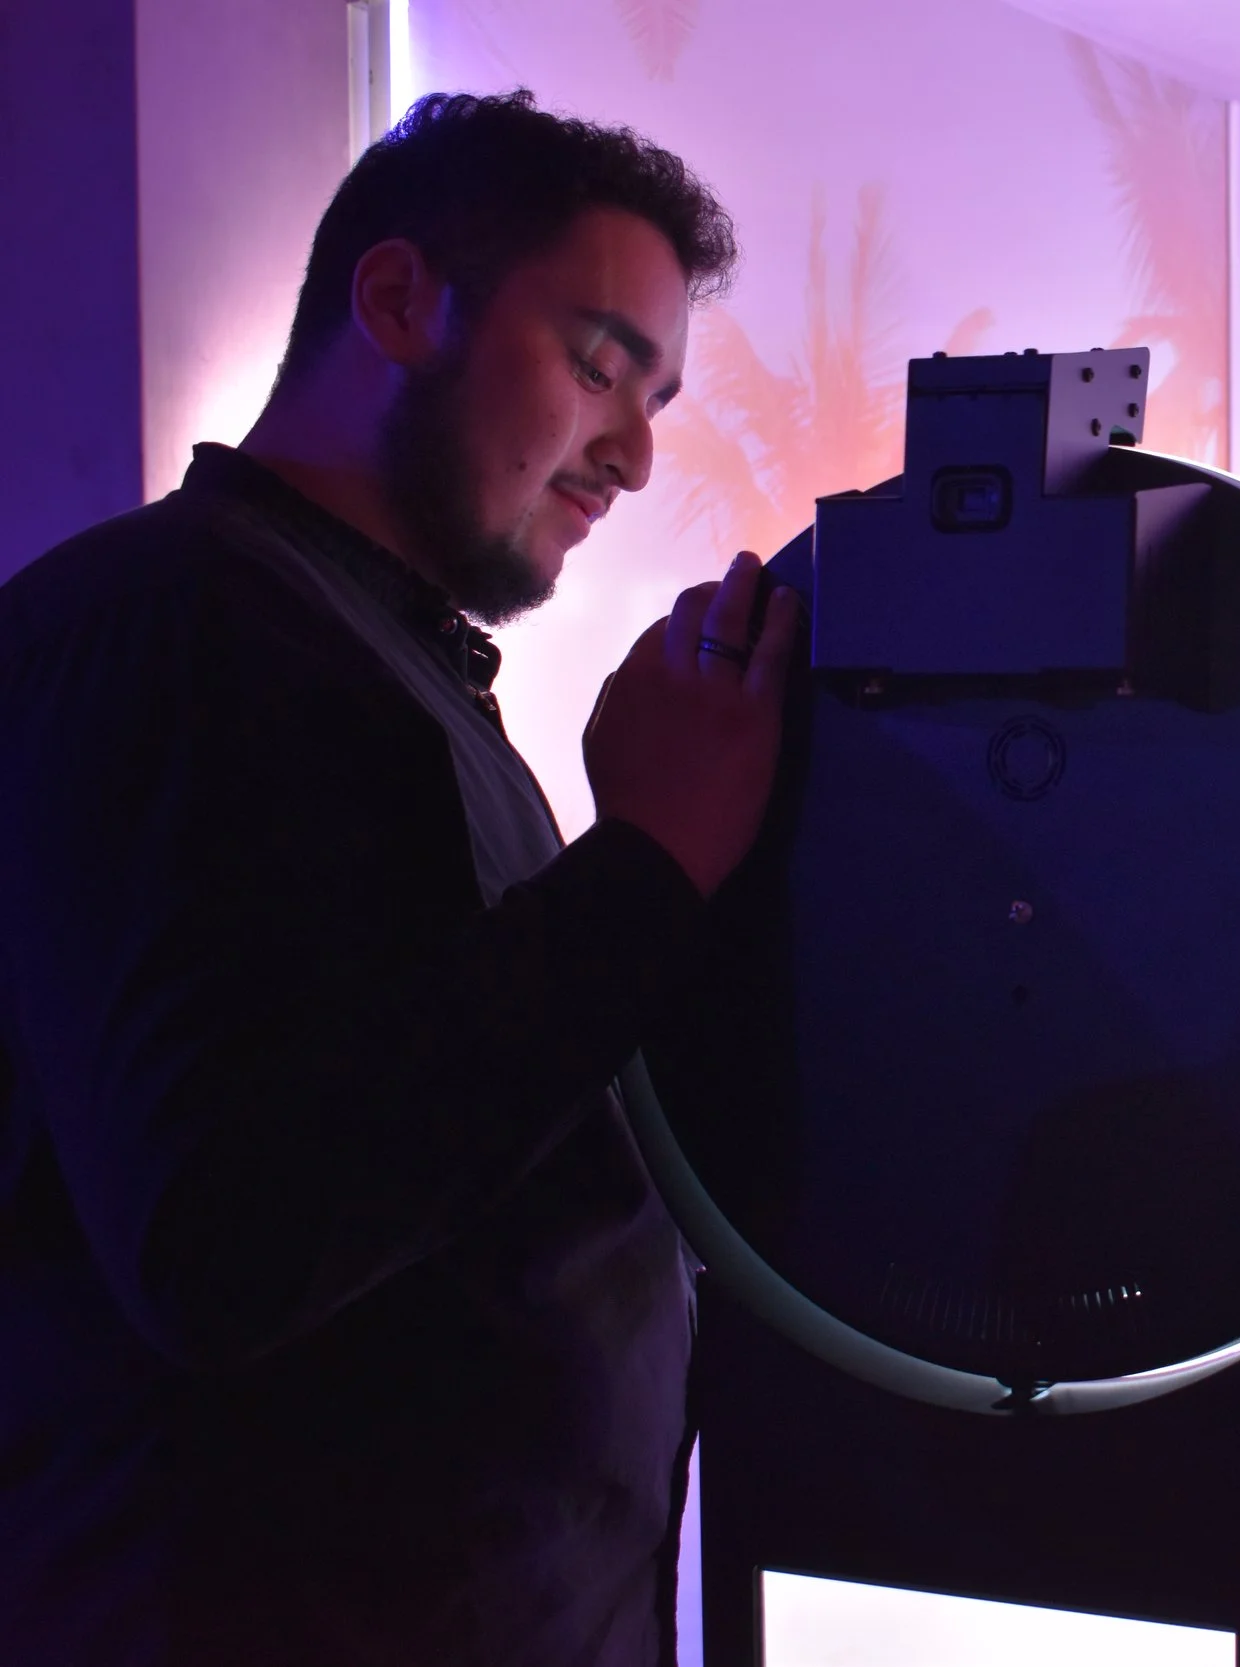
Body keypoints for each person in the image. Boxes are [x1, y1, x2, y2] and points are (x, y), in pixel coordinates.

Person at [0, 92, 801, 1664]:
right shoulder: (180, 626)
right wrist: (647, 859)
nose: (635, 457)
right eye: (598, 366)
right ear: (395, 301)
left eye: (655, 402)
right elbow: (226, 1236)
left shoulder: (358, 651)